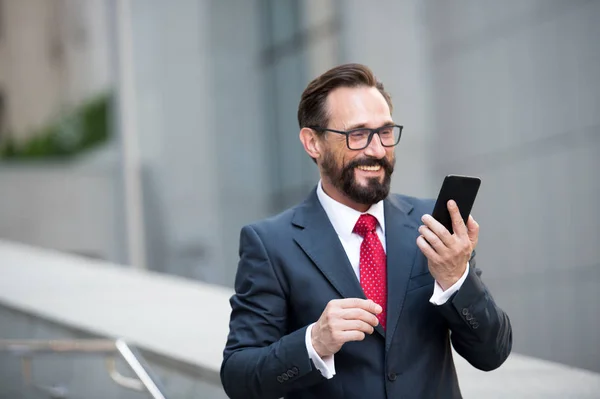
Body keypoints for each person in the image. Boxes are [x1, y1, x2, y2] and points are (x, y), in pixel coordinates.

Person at [220, 63, 512, 399]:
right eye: (357, 134)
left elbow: (492, 354)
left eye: (385, 132)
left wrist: (457, 280)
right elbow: (239, 378)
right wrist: (313, 342)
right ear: (312, 142)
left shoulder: (432, 226)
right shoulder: (271, 244)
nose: (377, 150)